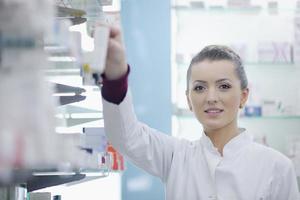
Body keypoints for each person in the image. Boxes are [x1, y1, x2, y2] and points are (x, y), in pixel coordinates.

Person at [100, 26, 300, 200]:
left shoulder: (277, 167)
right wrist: (116, 74)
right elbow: (126, 137)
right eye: (199, 88)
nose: (211, 97)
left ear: (244, 96)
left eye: (223, 86)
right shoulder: (175, 156)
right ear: (188, 100)